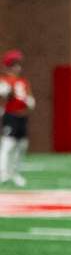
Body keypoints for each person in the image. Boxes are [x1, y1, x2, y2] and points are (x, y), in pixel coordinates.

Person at [0, 49, 34, 186]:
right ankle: (3, 172)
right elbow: (4, 96)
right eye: (15, 64)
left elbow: (29, 98)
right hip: (10, 115)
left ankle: (15, 172)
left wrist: (30, 101)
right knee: (8, 144)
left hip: (22, 116)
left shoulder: (23, 81)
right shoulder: (3, 80)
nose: (18, 67)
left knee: (22, 145)